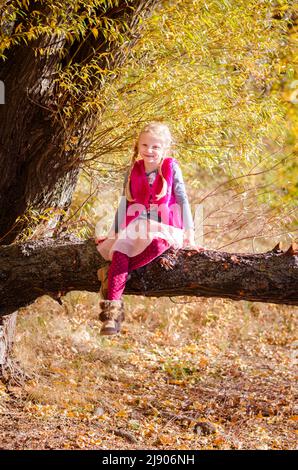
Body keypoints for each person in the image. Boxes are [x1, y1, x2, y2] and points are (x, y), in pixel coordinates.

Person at [95, 122, 203, 335]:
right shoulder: (134, 170)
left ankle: (112, 274)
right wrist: (114, 232)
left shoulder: (170, 167)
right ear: (138, 145)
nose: (149, 150)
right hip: (137, 224)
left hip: (166, 225)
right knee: (120, 250)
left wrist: (190, 234)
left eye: (155, 147)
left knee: (157, 245)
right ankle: (111, 315)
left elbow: (183, 200)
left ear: (165, 149)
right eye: (145, 145)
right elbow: (125, 203)